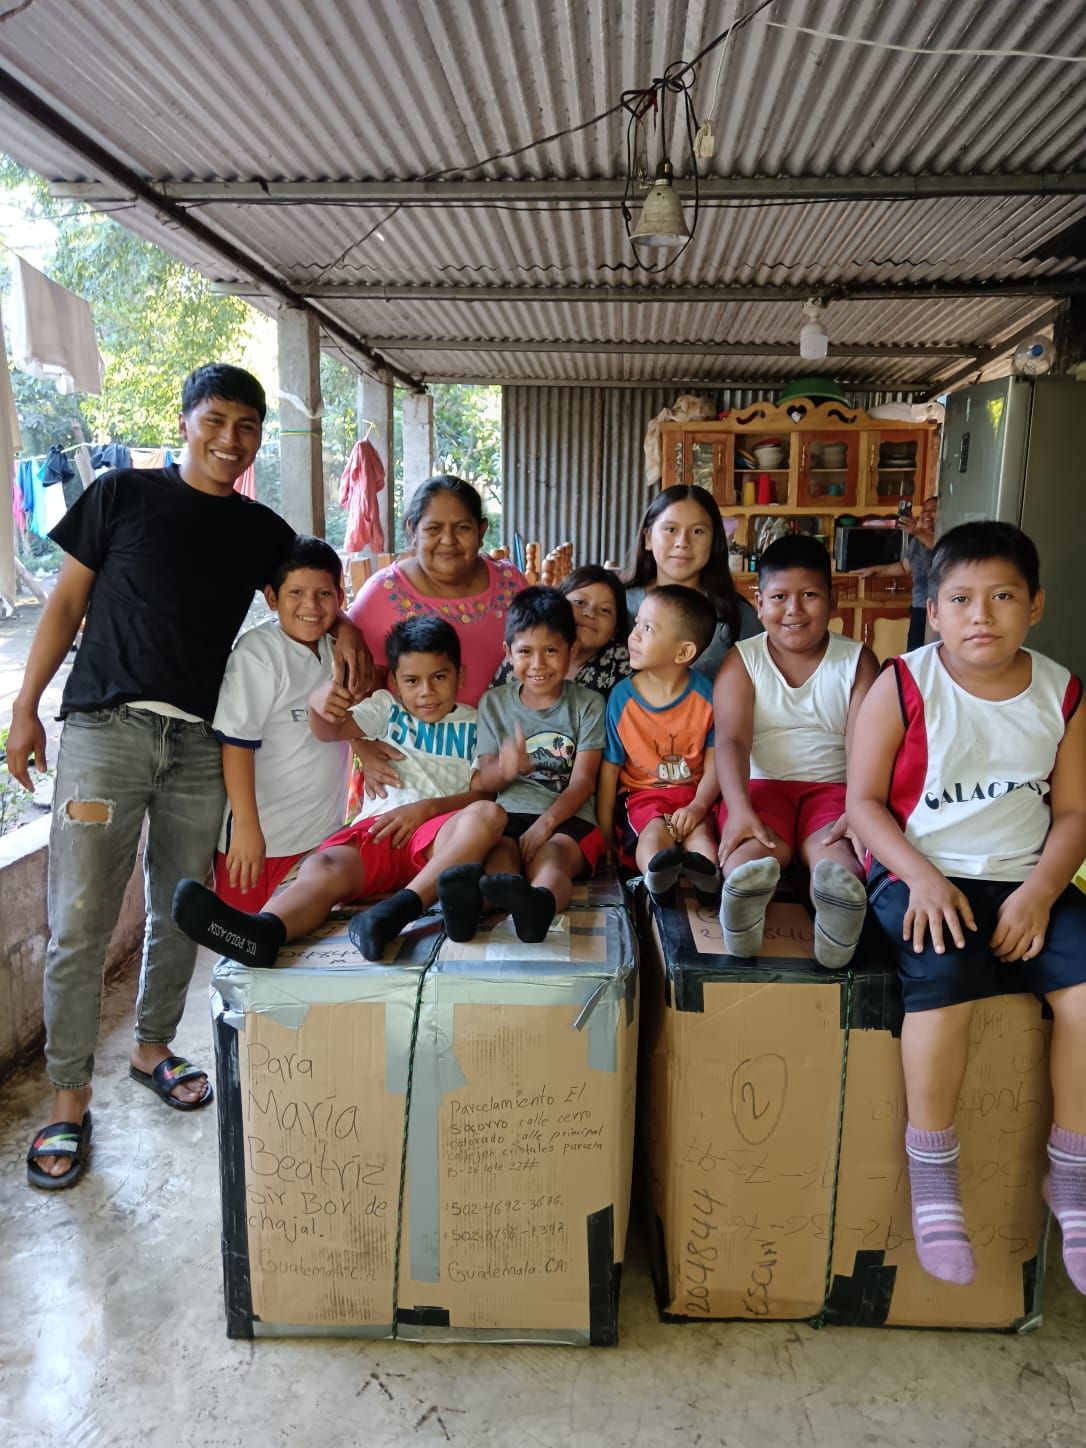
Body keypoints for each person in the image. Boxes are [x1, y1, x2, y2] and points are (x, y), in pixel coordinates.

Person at [13, 363, 369, 1191]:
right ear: (184, 422)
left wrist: (344, 623)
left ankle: (150, 1047)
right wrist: (27, 705)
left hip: (203, 744)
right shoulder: (121, 496)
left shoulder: (257, 528)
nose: (231, 439)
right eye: (216, 420)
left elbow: (309, 584)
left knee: (182, 906)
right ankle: (68, 1100)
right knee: (80, 917)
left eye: (247, 427)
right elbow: (66, 604)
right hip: (107, 729)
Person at [847, 522, 1086, 1292]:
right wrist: (918, 877)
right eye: (961, 599)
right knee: (944, 983)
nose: (981, 615)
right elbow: (863, 804)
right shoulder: (904, 684)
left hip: (1025, 879)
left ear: (1036, 605)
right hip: (922, 873)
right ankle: (934, 1173)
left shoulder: (1063, 692)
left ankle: (1072, 1177)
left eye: (1003, 596)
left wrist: (1043, 891)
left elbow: (1076, 814)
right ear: (934, 609)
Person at [173, 616, 506, 964]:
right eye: (412, 680)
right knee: (324, 866)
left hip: (438, 836)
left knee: (488, 814)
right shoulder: (386, 708)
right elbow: (328, 731)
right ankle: (266, 932)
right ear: (394, 682)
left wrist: (426, 810)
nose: (426, 691)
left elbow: (483, 795)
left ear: (460, 676)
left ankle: (399, 909)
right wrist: (319, 703)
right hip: (379, 828)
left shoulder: (477, 722)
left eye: (439, 677)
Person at [714, 535, 879, 967]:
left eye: (809, 596)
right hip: (760, 788)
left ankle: (837, 925)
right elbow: (730, 739)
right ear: (759, 602)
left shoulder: (857, 660)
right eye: (780, 597)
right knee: (754, 852)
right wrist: (738, 807)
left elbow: (865, 742)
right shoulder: (742, 660)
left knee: (836, 857)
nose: (794, 610)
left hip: (834, 792)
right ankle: (743, 913)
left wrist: (860, 811)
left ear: (833, 599)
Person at [210, 535, 351, 911]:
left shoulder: (335, 652)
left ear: (341, 597)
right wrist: (246, 828)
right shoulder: (259, 653)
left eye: (324, 594)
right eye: (296, 593)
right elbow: (237, 744)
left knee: (302, 952)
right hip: (259, 843)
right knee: (245, 952)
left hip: (321, 838)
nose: (311, 605)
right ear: (272, 598)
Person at [475, 587, 606, 943]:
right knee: (499, 858)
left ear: (572, 650)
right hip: (509, 814)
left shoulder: (588, 704)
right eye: (525, 652)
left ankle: (539, 908)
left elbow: (583, 783)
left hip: (569, 818)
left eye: (551, 650)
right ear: (508, 653)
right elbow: (483, 781)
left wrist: (546, 824)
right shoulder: (493, 704)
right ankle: (474, 906)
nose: (538, 664)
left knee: (551, 861)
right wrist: (505, 768)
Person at [597, 585, 721, 905]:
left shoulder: (706, 696)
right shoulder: (622, 698)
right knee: (653, 836)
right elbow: (610, 770)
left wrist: (697, 807)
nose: (634, 635)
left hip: (694, 798)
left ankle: (709, 883)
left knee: (702, 837)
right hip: (643, 798)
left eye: (647, 628)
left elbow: (714, 765)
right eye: (636, 623)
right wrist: (606, 831)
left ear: (682, 653)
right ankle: (659, 882)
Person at [622, 484, 761, 681]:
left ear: (714, 542)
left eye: (697, 531)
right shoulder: (618, 605)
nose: (682, 542)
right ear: (648, 538)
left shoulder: (738, 618)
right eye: (671, 529)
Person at [492, 564, 631, 695]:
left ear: (616, 628)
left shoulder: (622, 665)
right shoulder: (523, 651)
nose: (590, 613)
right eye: (580, 603)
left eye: (605, 610)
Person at [854, 493, 938, 651]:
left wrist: (918, 532)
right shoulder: (916, 541)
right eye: (924, 510)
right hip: (919, 607)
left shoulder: (944, 538)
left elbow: (943, 551)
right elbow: (904, 568)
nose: (927, 514)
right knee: (915, 654)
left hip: (939, 610)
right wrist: (874, 570)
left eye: (933, 509)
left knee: (934, 655)